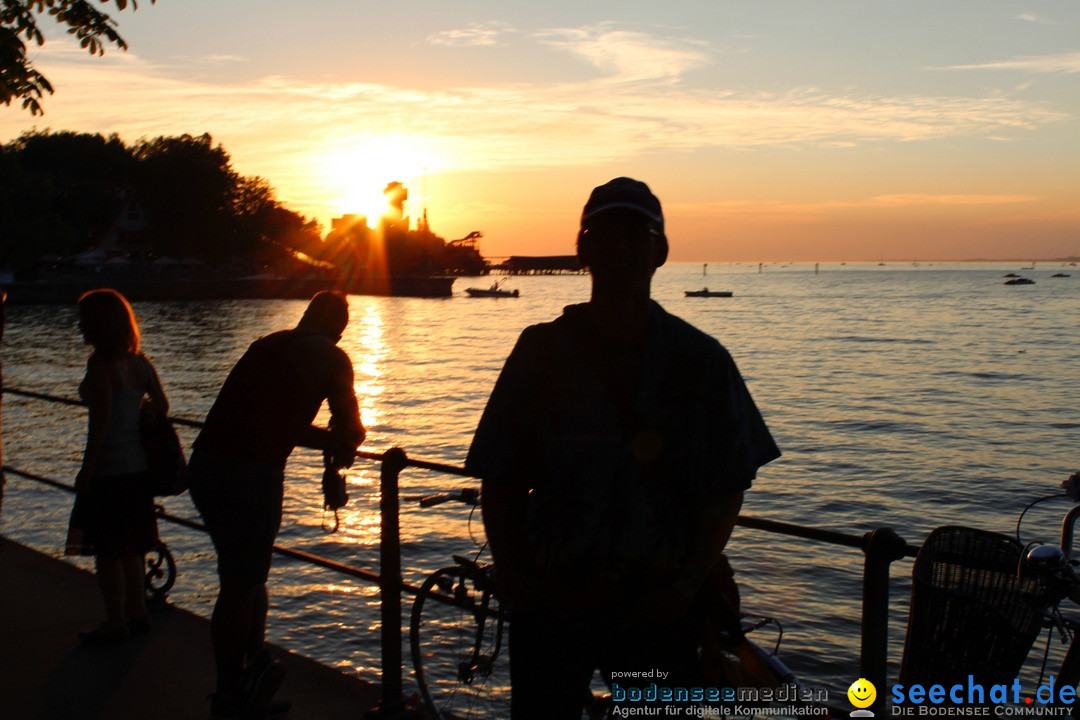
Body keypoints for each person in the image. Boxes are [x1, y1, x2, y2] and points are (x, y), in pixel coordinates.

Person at [466, 178, 781, 718]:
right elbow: (501, 477)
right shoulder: (539, 352)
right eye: (605, 233)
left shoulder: (700, 361)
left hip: (654, 611)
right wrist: (517, 580)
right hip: (551, 603)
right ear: (583, 248)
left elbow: (728, 489)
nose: (620, 247)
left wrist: (683, 589)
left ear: (659, 251)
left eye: (637, 234)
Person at [188, 290, 365, 720]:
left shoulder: (266, 344)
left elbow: (270, 417)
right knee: (239, 585)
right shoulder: (332, 357)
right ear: (339, 328)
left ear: (306, 315)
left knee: (248, 575)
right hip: (251, 473)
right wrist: (337, 447)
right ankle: (230, 695)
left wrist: (323, 439)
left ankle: (252, 674)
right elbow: (352, 430)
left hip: (206, 465)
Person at [66, 288, 169, 646]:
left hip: (109, 470)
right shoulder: (140, 363)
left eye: (83, 321)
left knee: (107, 551)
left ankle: (115, 622)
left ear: (98, 325)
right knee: (132, 547)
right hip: (138, 470)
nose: (79, 327)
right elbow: (161, 406)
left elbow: (101, 425)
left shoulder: (100, 366)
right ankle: (137, 613)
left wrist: (86, 472)